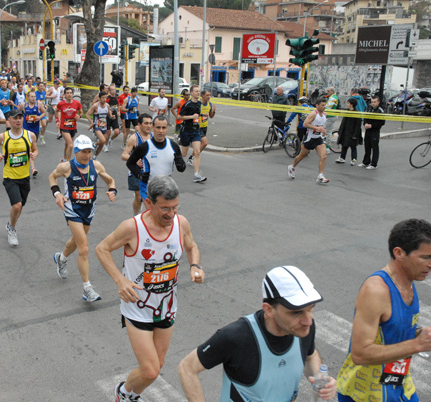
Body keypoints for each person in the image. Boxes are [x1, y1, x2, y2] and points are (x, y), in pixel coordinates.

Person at [95, 176, 204, 402]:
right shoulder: (132, 228)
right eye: (165, 208)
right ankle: (123, 393)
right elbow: (102, 249)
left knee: (159, 363)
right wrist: (120, 280)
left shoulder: (181, 223)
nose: (171, 214)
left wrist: (195, 266)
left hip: (167, 306)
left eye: (175, 208)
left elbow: (192, 246)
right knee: (151, 370)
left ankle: (132, 395)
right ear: (148, 203)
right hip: (137, 307)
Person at [178, 265, 337, 402]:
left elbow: (310, 355)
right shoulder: (236, 337)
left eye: (311, 309)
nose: (308, 321)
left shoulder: (304, 328)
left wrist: (318, 378)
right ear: (269, 310)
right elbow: (187, 368)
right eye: (296, 312)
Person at [337, 218, 431, 402]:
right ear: (399, 253)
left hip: (398, 383)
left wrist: (421, 333)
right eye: (425, 257)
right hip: (365, 394)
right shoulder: (376, 290)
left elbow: (392, 328)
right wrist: (418, 345)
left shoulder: (409, 283)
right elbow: (360, 353)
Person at [48, 135, 116, 302]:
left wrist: (113, 190)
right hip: (72, 209)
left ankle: (61, 258)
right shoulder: (66, 167)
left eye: (89, 152)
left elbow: (110, 180)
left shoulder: (96, 165)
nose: (87, 155)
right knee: (84, 248)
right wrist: (57, 194)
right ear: (76, 152)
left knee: (76, 241)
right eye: (83, 152)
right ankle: (87, 288)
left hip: (89, 209)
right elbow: (52, 177)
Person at [0, 109, 38, 247]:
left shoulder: (30, 135)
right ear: (9, 120)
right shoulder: (3, 137)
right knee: (16, 205)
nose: (18, 120)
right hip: (9, 176)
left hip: (25, 177)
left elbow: (35, 149)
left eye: (20, 118)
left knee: (20, 206)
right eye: (15, 118)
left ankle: (10, 224)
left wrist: (34, 154)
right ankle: (12, 229)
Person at [127, 115, 186, 202]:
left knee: (165, 214)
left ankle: (140, 215)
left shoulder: (173, 146)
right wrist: (139, 175)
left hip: (166, 188)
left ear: (167, 128)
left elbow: (181, 168)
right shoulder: (144, 147)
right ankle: (137, 214)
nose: (161, 131)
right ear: (153, 128)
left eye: (163, 128)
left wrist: (181, 164)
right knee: (153, 214)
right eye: (158, 127)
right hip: (148, 188)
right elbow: (130, 163)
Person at [287, 97, 329, 184]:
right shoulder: (313, 114)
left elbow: (321, 125)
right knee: (302, 156)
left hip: (318, 139)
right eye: (322, 105)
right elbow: (305, 124)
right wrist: (317, 128)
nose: (324, 107)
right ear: (317, 106)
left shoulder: (325, 114)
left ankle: (320, 176)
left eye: (325, 105)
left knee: (323, 156)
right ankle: (292, 166)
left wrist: (323, 130)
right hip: (310, 138)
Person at [122, 113, 154, 215]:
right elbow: (124, 155)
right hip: (136, 171)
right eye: (146, 123)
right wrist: (135, 160)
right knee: (140, 196)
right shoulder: (134, 138)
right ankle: (137, 216)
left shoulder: (153, 137)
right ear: (139, 125)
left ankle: (146, 216)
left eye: (150, 123)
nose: (149, 126)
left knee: (151, 196)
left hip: (150, 171)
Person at [178, 85, 207, 183]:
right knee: (183, 153)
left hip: (195, 130)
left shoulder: (199, 103)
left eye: (199, 91)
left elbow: (197, 115)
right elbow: (179, 117)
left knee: (197, 152)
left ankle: (196, 175)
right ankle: (172, 157)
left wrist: (201, 117)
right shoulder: (187, 104)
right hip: (186, 130)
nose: (198, 93)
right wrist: (191, 117)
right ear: (191, 93)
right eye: (196, 91)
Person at [19, 90, 45, 177]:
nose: (34, 98)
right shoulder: (23, 105)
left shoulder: (39, 105)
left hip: (35, 130)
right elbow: (18, 114)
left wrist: (39, 117)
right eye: (32, 96)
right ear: (27, 97)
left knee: (33, 149)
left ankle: (28, 163)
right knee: (29, 148)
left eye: (34, 96)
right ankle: (33, 168)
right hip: (26, 129)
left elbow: (44, 112)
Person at [188, 90, 215, 167]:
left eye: (210, 95)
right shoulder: (198, 104)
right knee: (205, 143)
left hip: (204, 127)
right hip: (197, 126)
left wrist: (213, 111)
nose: (209, 97)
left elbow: (211, 116)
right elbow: (192, 114)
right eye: (207, 95)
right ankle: (194, 157)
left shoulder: (209, 104)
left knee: (200, 145)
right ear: (202, 95)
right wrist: (201, 115)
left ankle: (191, 157)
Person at [56, 87, 83, 162]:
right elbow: (56, 111)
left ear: (73, 94)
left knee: (67, 144)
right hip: (64, 126)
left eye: (70, 93)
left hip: (73, 127)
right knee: (71, 145)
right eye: (67, 93)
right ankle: (68, 162)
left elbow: (81, 112)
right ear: (64, 95)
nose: (69, 94)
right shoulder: (61, 104)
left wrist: (79, 116)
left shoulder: (77, 103)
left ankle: (64, 158)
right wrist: (57, 121)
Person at [359, 95, 385, 170]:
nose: (373, 103)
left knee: (374, 147)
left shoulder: (380, 110)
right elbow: (365, 118)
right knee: (367, 146)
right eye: (372, 102)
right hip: (368, 131)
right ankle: (366, 162)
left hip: (375, 131)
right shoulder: (368, 108)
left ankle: (374, 164)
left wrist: (372, 125)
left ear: (378, 102)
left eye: (374, 102)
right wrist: (365, 124)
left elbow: (382, 122)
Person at [86, 91, 113, 159]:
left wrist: (112, 116)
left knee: (102, 143)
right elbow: (87, 114)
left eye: (105, 98)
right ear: (99, 98)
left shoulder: (107, 105)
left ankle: (95, 156)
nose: (104, 99)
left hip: (104, 126)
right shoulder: (96, 105)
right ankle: (94, 144)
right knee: (103, 140)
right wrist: (92, 123)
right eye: (103, 98)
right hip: (97, 125)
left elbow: (109, 114)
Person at [335, 98, 362, 165]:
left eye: (348, 103)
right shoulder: (347, 111)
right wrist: (340, 130)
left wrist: (355, 134)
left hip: (352, 132)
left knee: (353, 147)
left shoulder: (357, 113)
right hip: (345, 131)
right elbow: (343, 122)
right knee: (344, 145)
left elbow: (358, 125)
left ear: (351, 105)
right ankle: (342, 158)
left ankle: (354, 159)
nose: (347, 104)